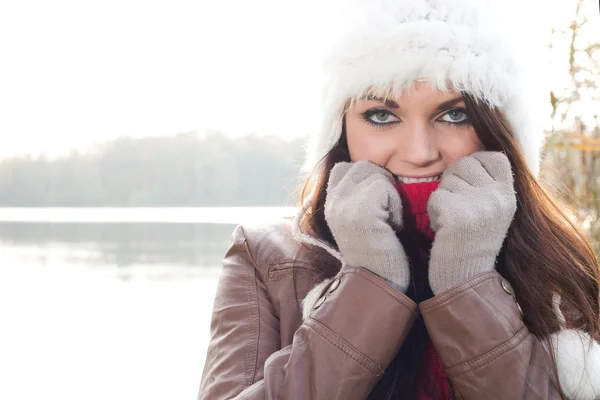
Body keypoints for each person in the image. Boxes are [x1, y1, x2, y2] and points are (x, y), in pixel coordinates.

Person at [198, 0, 600, 398]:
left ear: (502, 130)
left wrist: (468, 282)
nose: (420, 152)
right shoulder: (269, 258)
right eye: (381, 116)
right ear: (341, 130)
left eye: (455, 115)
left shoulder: (561, 263)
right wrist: (368, 286)